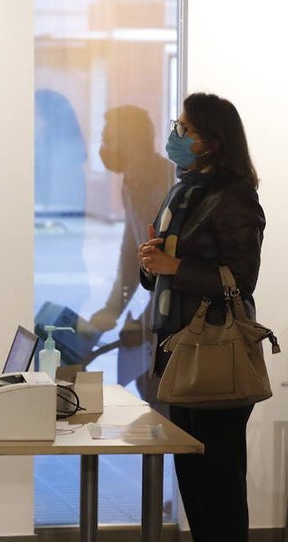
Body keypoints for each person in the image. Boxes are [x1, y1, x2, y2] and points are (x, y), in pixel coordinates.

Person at [137, 92, 265, 542]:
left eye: (185, 127)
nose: (176, 135)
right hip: (178, 347)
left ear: (212, 141)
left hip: (214, 353)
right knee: (193, 477)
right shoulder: (186, 193)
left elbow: (240, 279)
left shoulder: (235, 198)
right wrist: (155, 264)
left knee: (219, 483)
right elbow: (167, 272)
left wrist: (175, 265)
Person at [89, 105, 176, 406]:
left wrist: (142, 323)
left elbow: (168, 269)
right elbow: (130, 258)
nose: (103, 148)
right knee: (148, 391)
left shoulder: (167, 184)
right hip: (158, 316)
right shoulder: (131, 184)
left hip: (177, 320)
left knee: (162, 402)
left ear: (128, 141)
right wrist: (111, 310)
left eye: (108, 139)